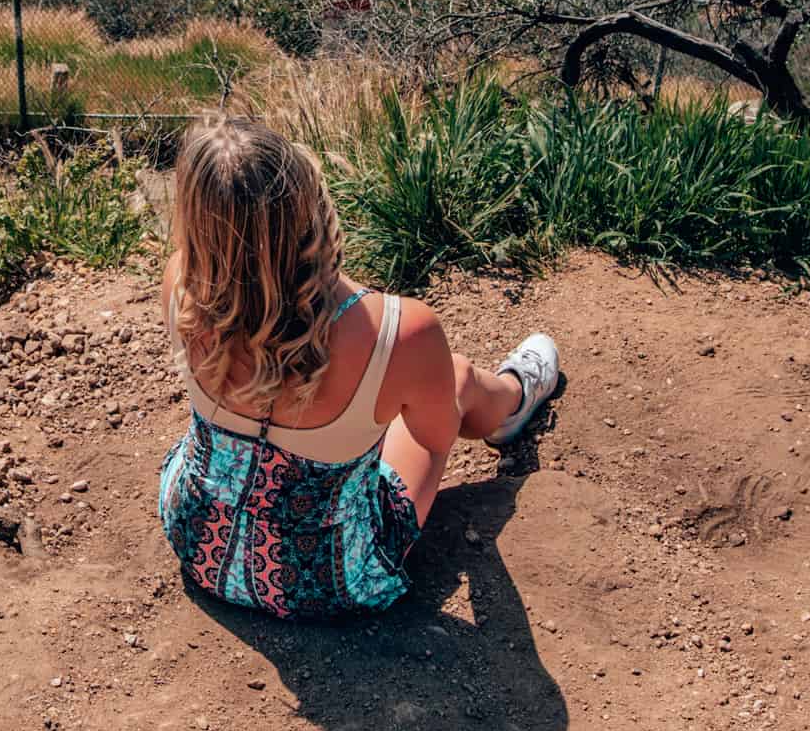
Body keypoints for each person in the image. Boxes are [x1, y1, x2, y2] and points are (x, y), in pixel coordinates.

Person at [158, 113, 560, 619]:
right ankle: (513, 399)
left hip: (203, 544)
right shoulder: (400, 330)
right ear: (306, 204)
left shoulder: (181, 285)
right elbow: (436, 441)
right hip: (328, 579)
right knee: (452, 378)